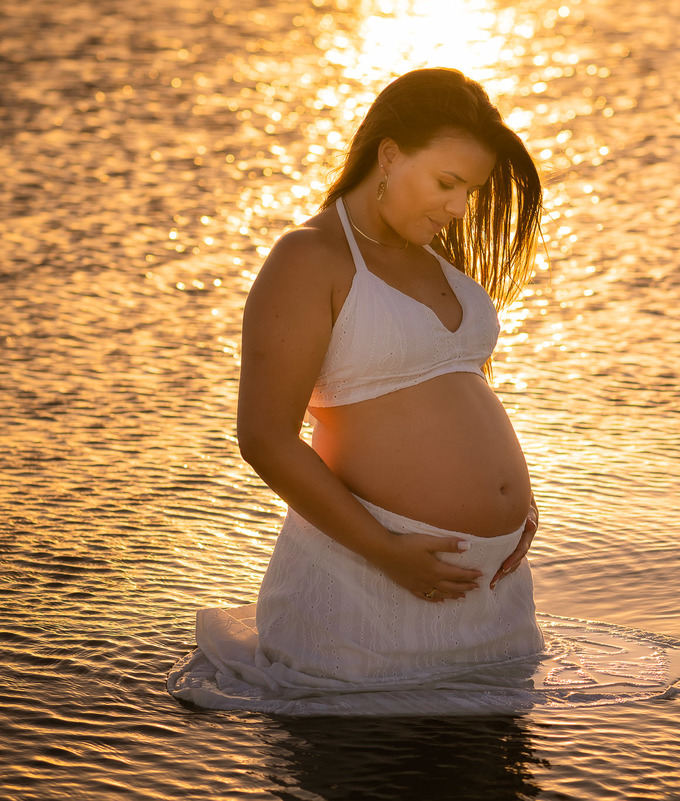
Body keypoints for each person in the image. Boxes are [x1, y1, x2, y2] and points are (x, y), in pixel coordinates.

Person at [168, 68, 546, 708]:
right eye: (446, 183)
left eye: (470, 192)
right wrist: (388, 550)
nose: (458, 207)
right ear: (390, 155)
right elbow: (264, 437)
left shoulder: (435, 259)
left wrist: (517, 507)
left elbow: (454, 388)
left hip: (490, 596)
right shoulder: (308, 257)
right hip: (368, 593)